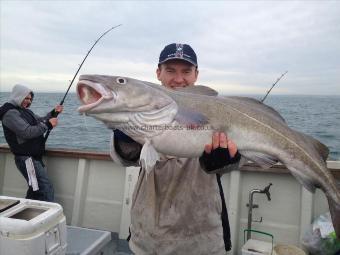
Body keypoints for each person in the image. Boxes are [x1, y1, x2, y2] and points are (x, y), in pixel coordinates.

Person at [111, 43, 241, 254]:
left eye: (186, 71)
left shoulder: (218, 110)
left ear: (196, 74)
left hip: (203, 238)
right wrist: (127, 137)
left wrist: (226, 160)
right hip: (148, 238)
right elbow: (126, 158)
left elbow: (237, 158)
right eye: (170, 70)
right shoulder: (142, 109)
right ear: (158, 73)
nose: (179, 79)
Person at [0, 84, 63, 202]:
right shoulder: (10, 113)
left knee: (35, 189)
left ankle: (26, 217)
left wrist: (54, 112)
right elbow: (27, 132)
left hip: (33, 158)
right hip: (27, 159)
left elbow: (41, 120)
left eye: (30, 99)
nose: (28, 101)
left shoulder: (25, 111)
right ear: (18, 96)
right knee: (45, 188)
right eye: (26, 98)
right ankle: (47, 217)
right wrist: (49, 125)